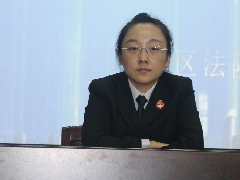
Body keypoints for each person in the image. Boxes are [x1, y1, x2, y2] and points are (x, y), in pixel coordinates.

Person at [82, 13, 204, 149]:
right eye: (133, 48)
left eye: (154, 49)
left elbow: (194, 145)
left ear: (168, 59)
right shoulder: (103, 89)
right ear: (120, 57)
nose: (143, 58)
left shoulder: (180, 89)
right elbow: (91, 141)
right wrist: (147, 144)